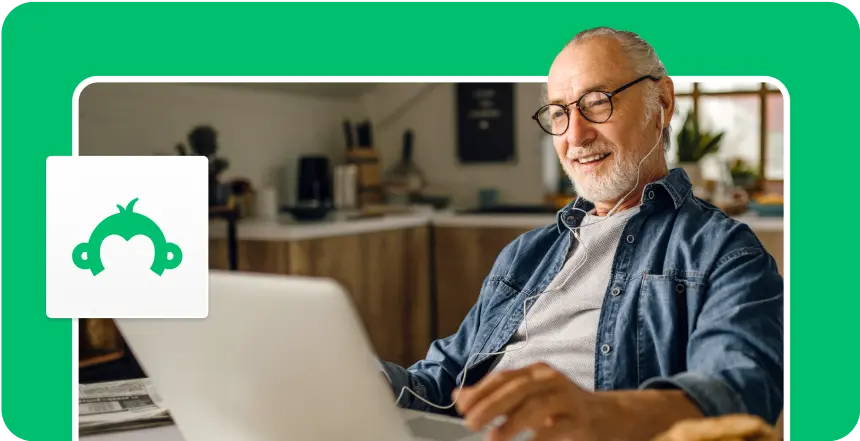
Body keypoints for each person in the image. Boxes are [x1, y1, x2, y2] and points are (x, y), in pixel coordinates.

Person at [379, 26, 784, 441]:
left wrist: (606, 412)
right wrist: (363, 380)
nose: (575, 136)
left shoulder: (724, 253)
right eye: (559, 112)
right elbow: (440, 386)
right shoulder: (524, 256)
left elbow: (740, 392)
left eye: (597, 103)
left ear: (661, 103)